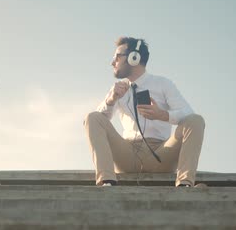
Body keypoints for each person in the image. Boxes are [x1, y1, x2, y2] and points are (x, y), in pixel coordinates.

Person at [84, 36, 205, 187]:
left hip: (161, 154)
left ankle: (185, 184)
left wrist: (162, 115)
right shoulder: (117, 88)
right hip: (127, 155)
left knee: (196, 120)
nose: (112, 62)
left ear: (134, 58)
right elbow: (97, 123)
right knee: (92, 117)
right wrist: (111, 100)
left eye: (117, 56)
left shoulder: (163, 84)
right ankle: (106, 182)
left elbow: (188, 115)